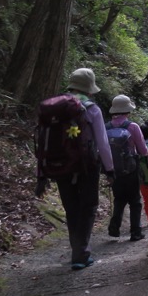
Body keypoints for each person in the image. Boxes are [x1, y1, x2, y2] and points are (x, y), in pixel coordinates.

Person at [58, 68, 113, 270]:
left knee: (71, 207)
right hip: (87, 165)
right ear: (89, 89)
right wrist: (110, 168)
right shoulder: (92, 109)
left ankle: (77, 249)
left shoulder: (56, 106)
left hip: (60, 164)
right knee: (88, 206)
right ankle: (80, 254)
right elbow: (102, 143)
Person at [106, 94, 148, 241]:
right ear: (127, 110)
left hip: (113, 169)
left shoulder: (106, 127)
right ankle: (136, 232)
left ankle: (114, 227)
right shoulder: (133, 126)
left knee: (119, 199)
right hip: (131, 169)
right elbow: (143, 150)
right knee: (135, 201)